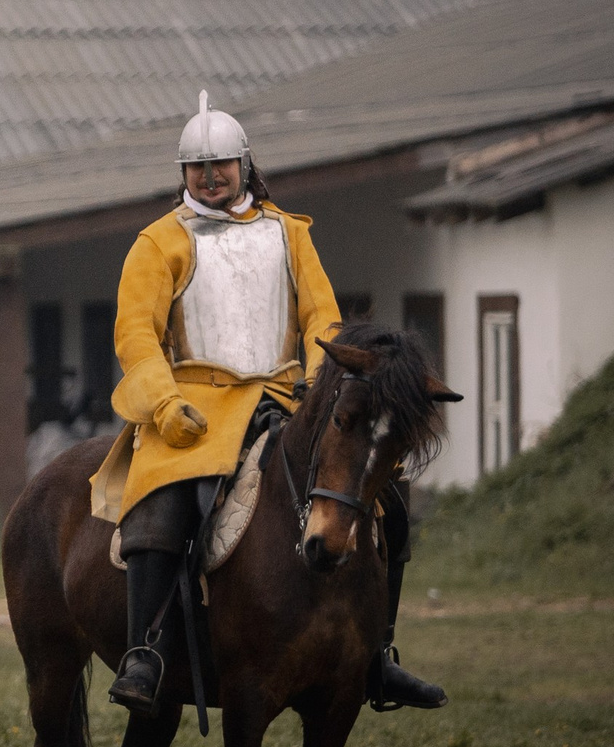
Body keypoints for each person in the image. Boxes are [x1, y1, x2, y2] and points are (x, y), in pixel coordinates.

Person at [93, 92, 443, 714]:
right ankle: (145, 651)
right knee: (163, 498)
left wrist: (317, 379)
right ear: (183, 175)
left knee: (386, 495)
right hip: (195, 403)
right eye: (198, 168)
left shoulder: (290, 234)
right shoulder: (157, 243)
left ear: (245, 163)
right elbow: (136, 335)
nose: (211, 176)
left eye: (222, 164)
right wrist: (165, 404)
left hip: (291, 393)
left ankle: (380, 655)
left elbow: (321, 317)